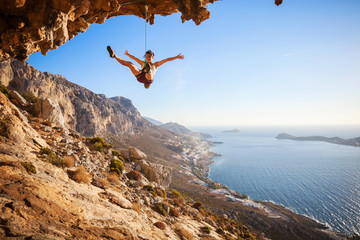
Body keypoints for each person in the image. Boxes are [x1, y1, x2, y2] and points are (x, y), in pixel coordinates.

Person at [107, 46, 184, 89]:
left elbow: (166, 60)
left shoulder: (156, 64)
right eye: (147, 56)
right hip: (140, 77)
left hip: (148, 79)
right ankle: (114, 55)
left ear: (153, 57)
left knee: (149, 73)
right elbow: (134, 58)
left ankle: (148, 70)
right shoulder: (143, 62)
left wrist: (176, 57)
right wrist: (127, 54)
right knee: (130, 64)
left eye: (150, 56)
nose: (148, 58)